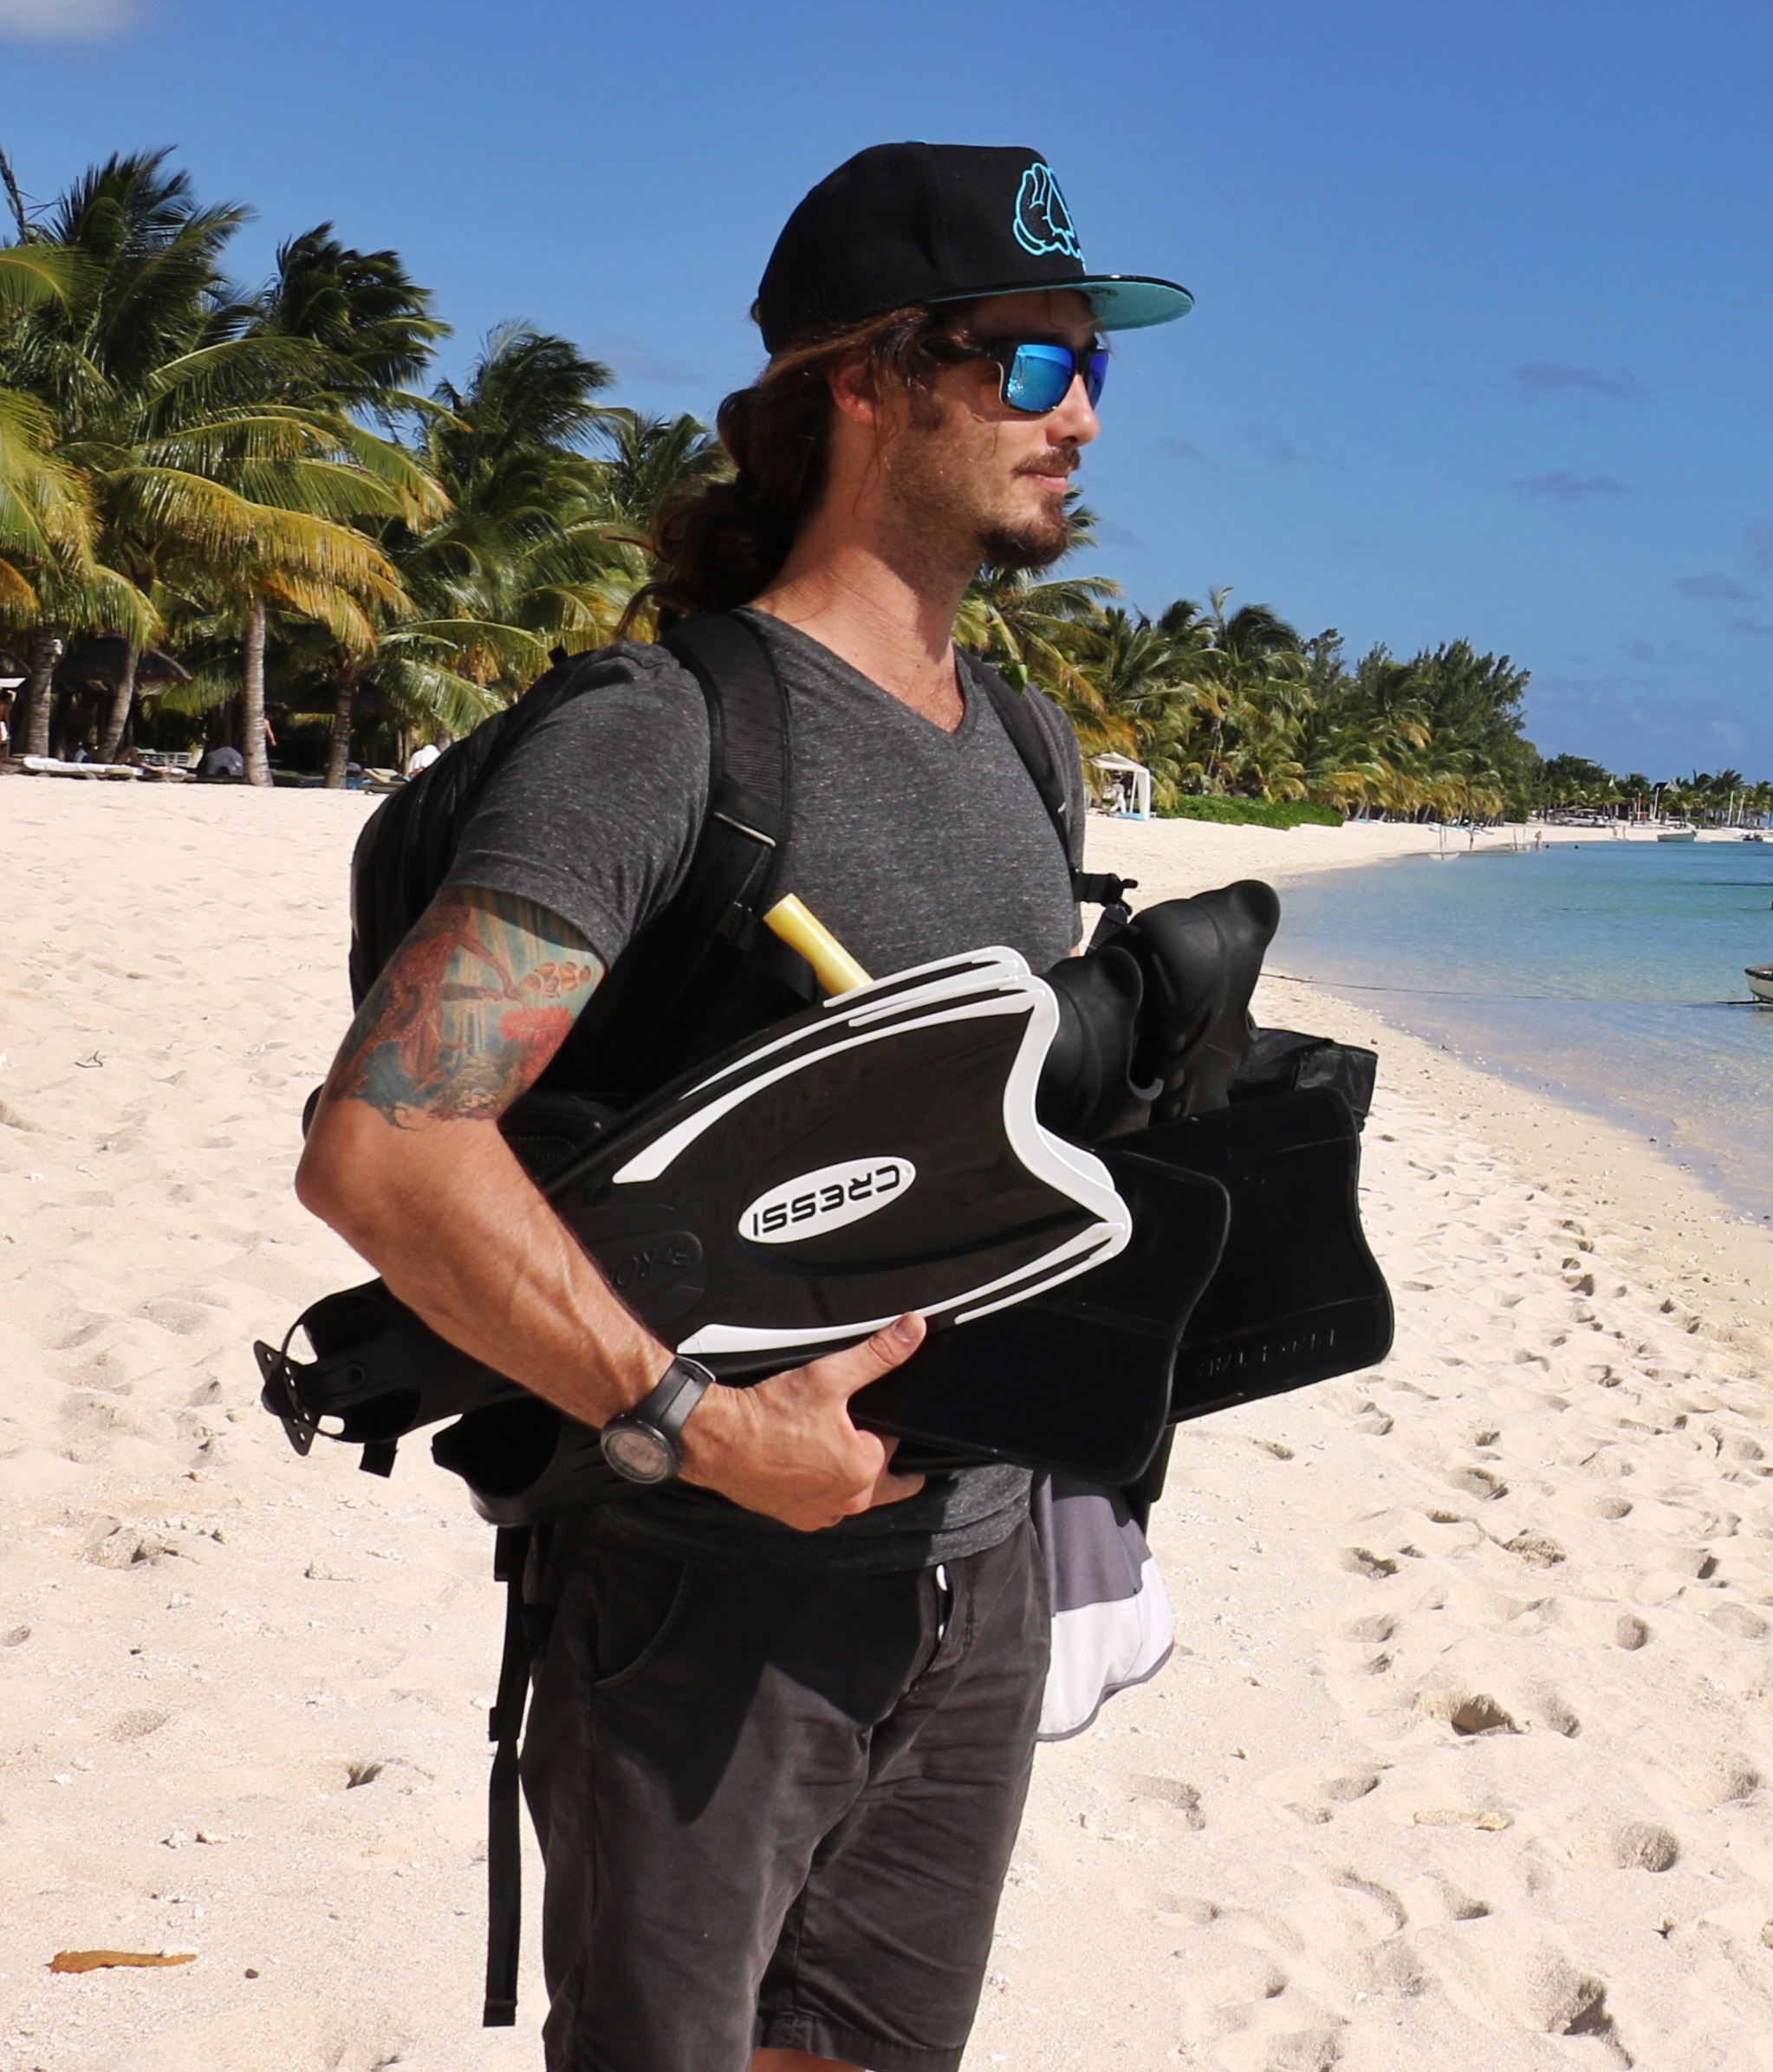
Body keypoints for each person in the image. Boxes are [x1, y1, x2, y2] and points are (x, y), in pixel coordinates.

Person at [295, 143, 1191, 2072]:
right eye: (1033, 365)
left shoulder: (1023, 742)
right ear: (869, 380)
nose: (1085, 412)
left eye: (1095, 364)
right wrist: (691, 1429)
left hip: (977, 1561)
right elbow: (384, 1143)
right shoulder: (666, 734)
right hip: (704, 1590)